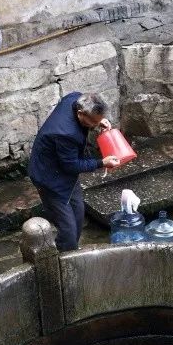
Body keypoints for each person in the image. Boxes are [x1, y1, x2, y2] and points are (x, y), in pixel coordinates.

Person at [29, 92, 120, 251]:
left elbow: (69, 165)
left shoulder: (75, 98)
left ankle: (69, 250)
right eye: (93, 122)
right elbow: (72, 166)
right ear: (80, 113)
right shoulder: (66, 133)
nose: (95, 125)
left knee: (78, 217)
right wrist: (101, 162)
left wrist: (97, 122)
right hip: (48, 177)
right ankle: (61, 262)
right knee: (68, 231)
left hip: (64, 171)